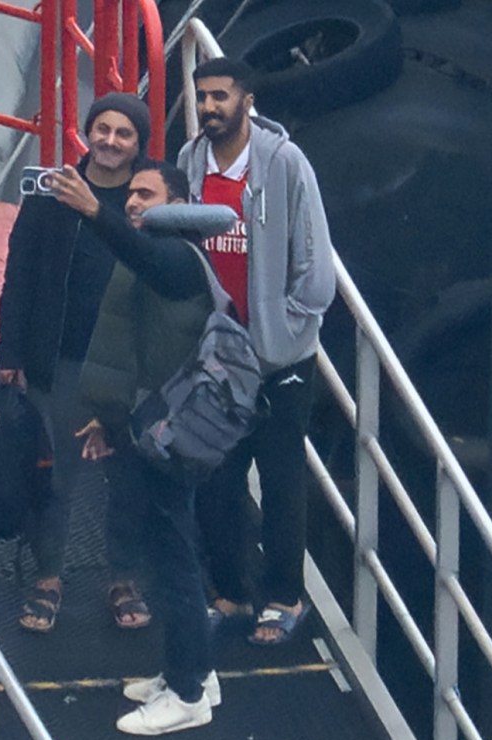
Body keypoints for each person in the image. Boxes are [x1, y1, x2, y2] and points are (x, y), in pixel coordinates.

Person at [46, 158, 226, 735]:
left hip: (174, 433)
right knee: (169, 551)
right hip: (147, 423)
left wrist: (94, 211)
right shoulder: (154, 251)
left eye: (146, 194)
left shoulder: (175, 256)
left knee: (173, 561)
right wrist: (107, 418)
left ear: (177, 203)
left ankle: (191, 693)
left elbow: (148, 261)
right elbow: (126, 349)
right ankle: (189, 669)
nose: (132, 201)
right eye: (129, 194)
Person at [177, 57, 336, 645]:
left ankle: (284, 597)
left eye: (221, 96)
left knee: (281, 481)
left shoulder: (285, 164)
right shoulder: (191, 163)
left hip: (280, 359)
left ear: (247, 98)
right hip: (218, 357)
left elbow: (316, 264)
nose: (211, 107)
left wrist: (287, 330)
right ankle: (229, 593)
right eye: (203, 97)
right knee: (216, 479)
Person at [0, 93, 153, 632]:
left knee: (126, 474)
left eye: (123, 133)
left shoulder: (152, 197)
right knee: (55, 472)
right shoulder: (49, 194)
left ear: (139, 143)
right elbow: (19, 277)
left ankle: (124, 576)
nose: (110, 140)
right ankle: (47, 576)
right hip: (60, 357)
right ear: (88, 133)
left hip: (129, 364)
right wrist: (9, 352)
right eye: (102, 129)